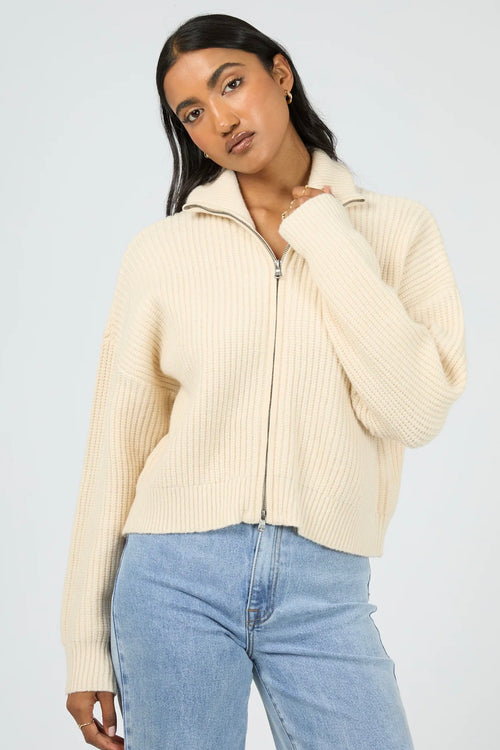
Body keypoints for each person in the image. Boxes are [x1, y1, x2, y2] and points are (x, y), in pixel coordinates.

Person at [60, 12, 468, 750]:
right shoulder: (162, 251)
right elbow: (115, 449)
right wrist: (85, 645)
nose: (220, 120)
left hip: (326, 588)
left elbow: (415, 410)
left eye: (231, 84)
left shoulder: (398, 229)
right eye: (192, 112)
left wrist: (328, 239)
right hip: (173, 579)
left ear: (280, 74)